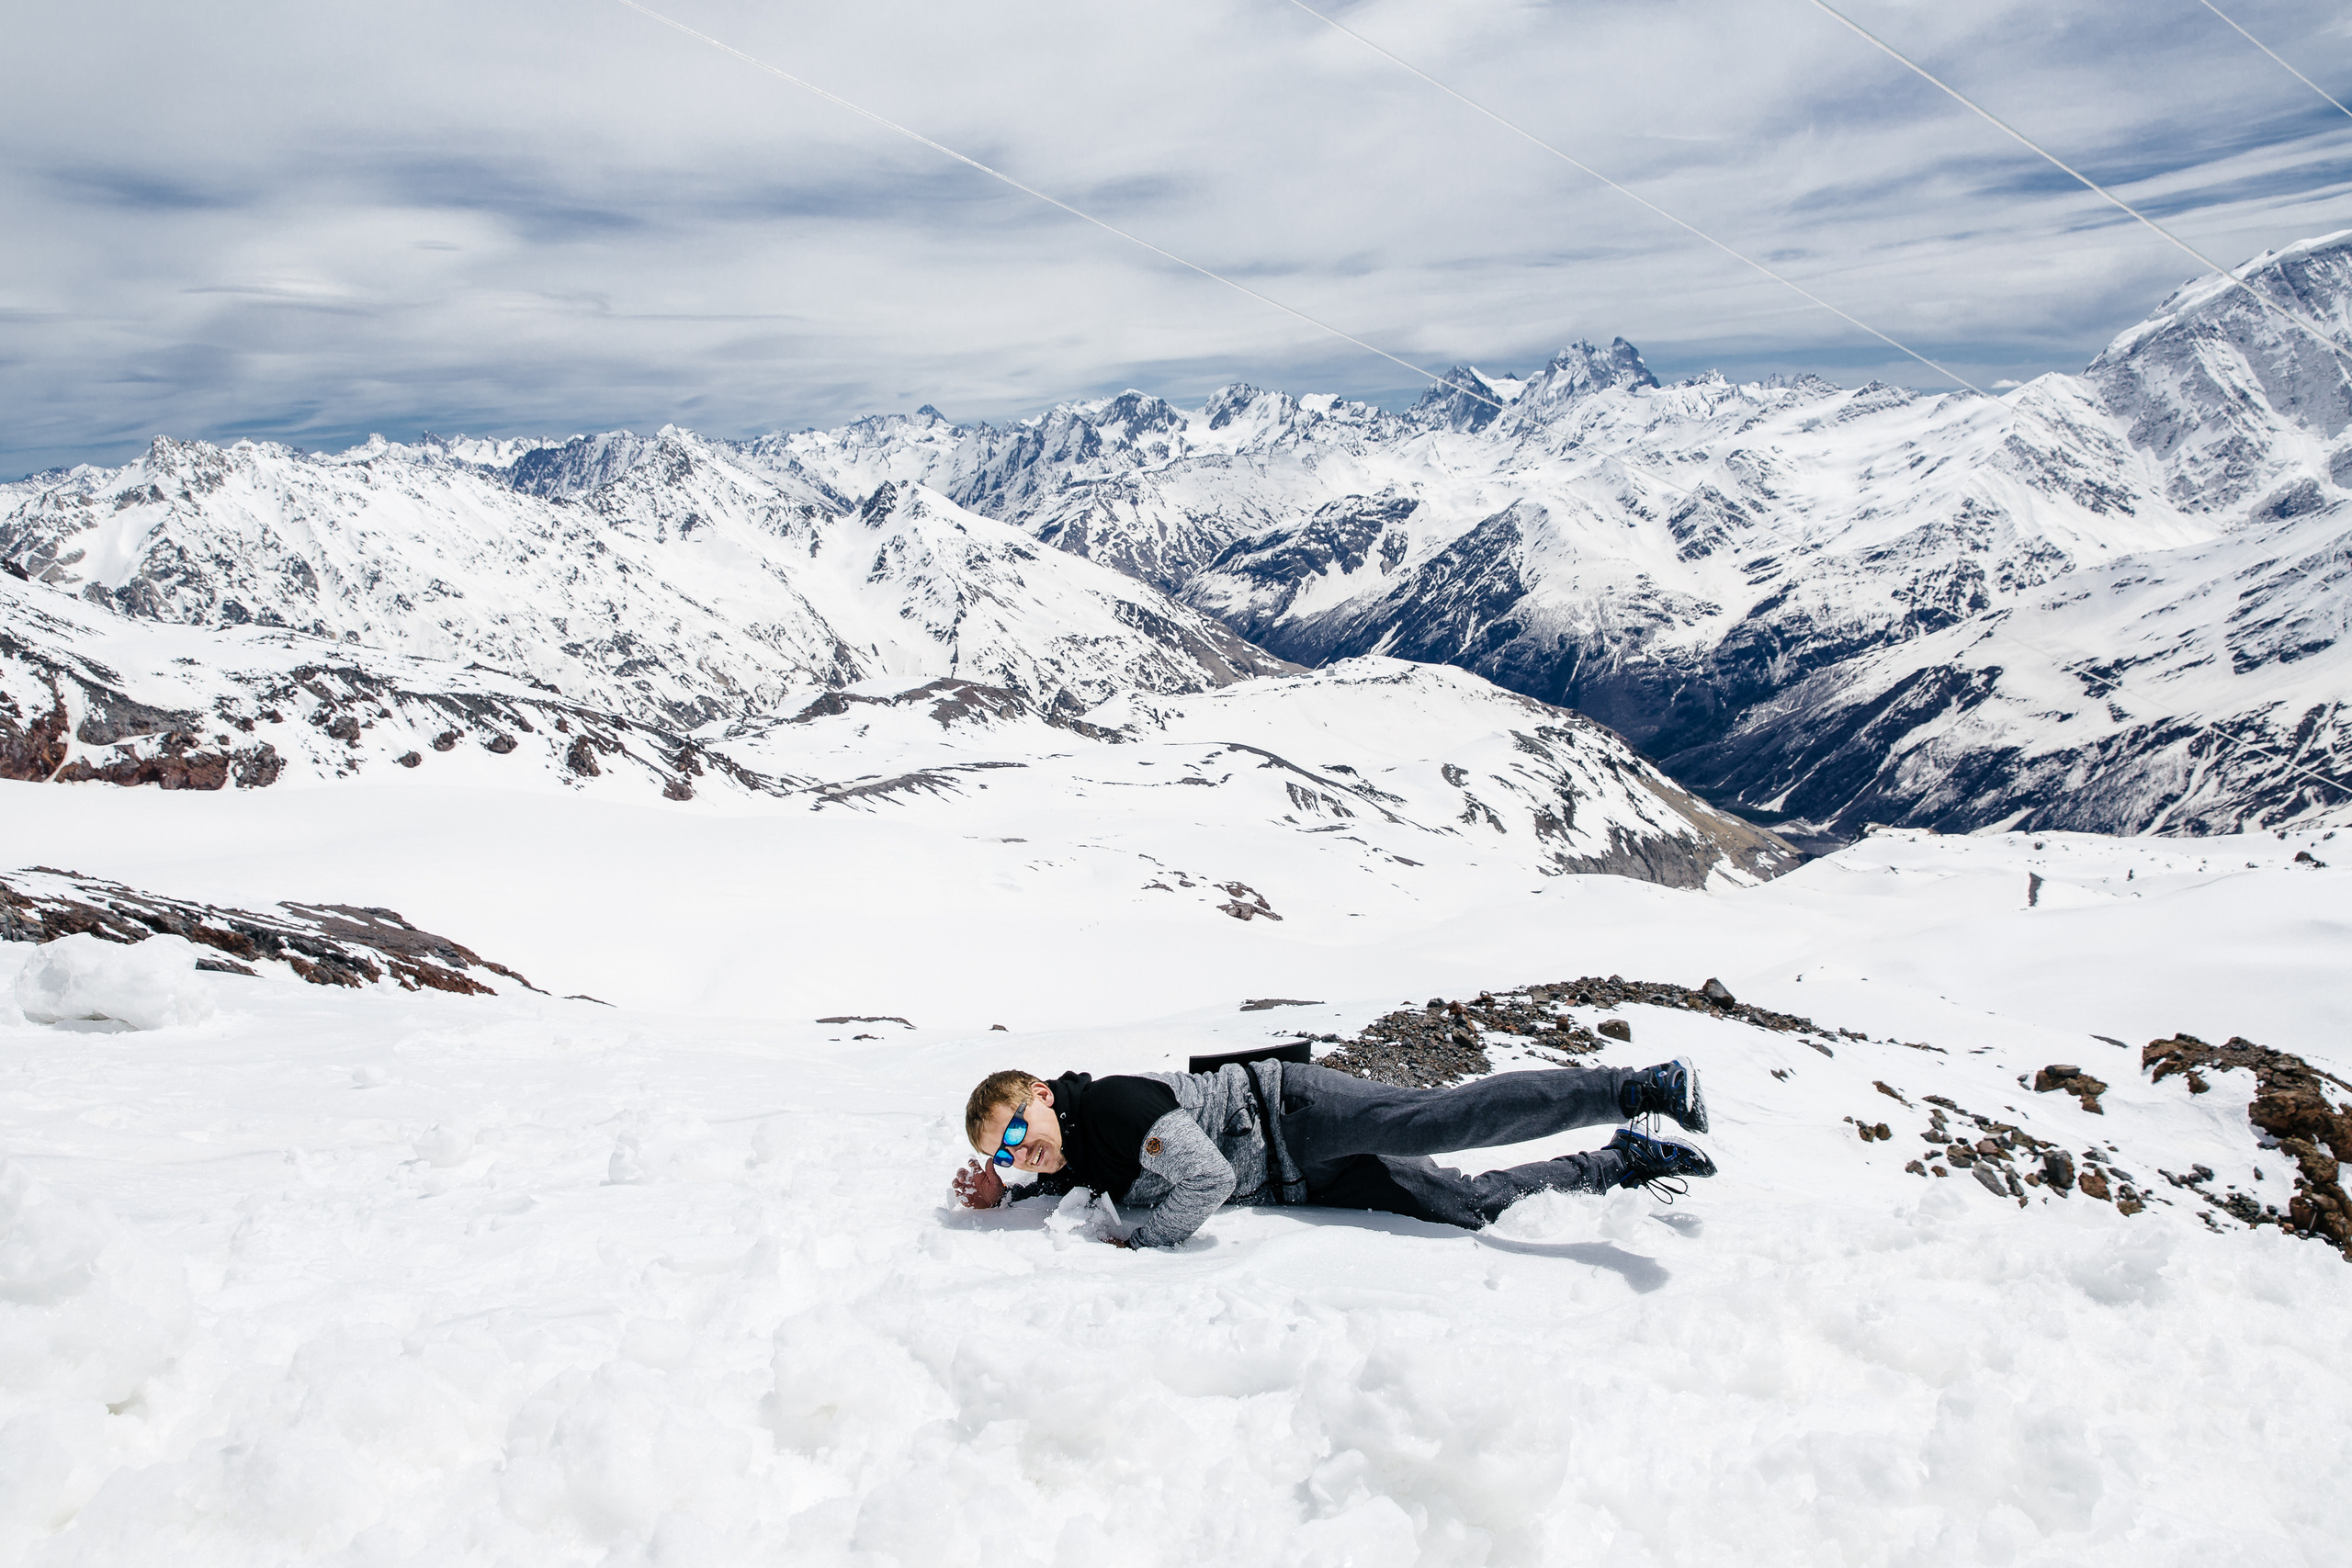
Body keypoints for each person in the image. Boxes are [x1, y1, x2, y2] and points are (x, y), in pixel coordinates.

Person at [951, 1055, 1715, 1248]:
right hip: (1301, 1181)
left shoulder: (1114, 1105)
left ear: (1044, 1093)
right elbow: (1076, 1175)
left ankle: (1635, 1088)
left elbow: (1207, 1178)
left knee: (1441, 1120)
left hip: (1294, 1115)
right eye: (1004, 1153)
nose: (1021, 1153)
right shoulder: (1077, 1149)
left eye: (1017, 1131)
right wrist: (1007, 1196)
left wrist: (1141, 1242)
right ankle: (1624, 1159)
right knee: (1467, 1205)